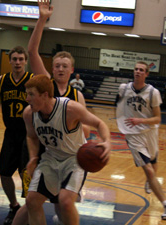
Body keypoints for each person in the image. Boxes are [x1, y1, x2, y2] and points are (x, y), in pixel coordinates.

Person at [12, 1, 90, 224]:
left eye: (65, 66)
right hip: (44, 151)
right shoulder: (46, 86)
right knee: (31, 202)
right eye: (57, 65)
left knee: (62, 204)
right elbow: (32, 51)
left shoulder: (77, 97)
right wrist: (42, 19)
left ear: (72, 70)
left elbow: (85, 129)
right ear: (52, 68)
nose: (61, 69)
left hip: (68, 156)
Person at [22, 74, 111, 225]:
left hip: (74, 159)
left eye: (31, 94)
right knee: (32, 201)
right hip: (50, 158)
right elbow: (31, 137)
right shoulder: (29, 113)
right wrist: (33, 157)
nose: (27, 99)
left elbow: (99, 123)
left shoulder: (70, 109)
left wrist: (107, 141)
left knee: (65, 202)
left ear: (44, 95)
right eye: (27, 94)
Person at [116, 61, 166, 220]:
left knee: (154, 166)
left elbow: (158, 118)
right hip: (133, 135)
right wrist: (123, 121)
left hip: (150, 133)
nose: (138, 72)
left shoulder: (152, 93)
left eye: (141, 70)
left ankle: (151, 181)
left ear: (147, 74)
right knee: (149, 170)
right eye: (136, 69)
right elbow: (119, 105)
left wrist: (141, 121)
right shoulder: (124, 89)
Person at [0, 46, 34, 225]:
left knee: (26, 174)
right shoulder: (2, 80)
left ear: (26, 61)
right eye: (14, 59)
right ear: (10, 61)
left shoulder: (32, 80)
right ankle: (14, 206)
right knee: (4, 173)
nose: (17, 62)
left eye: (21, 59)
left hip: (29, 135)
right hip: (10, 133)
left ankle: (29, 208)